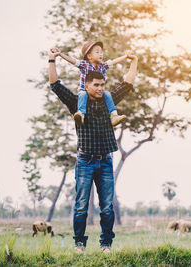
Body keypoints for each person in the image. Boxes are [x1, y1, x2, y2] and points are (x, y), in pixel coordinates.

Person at [47, 48, 138, 253]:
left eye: (102, 84)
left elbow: (128, 84)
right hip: (85, 161)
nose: (99, 88)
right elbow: (55, 85)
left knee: (107, 207)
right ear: (86, 85)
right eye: (95, 85)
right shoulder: (78, 104)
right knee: (81, 206)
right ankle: (79, 244)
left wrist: (134, 62)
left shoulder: (108, 102)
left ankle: (106, 245)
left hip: (105, 161)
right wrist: (53, 59)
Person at [51, 41, 130, 127]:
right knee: (82, 94)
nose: (101, 54)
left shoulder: (102, 66)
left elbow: (114, 61)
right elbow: (72, 61)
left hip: (98, 93)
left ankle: (114, 115)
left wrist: (126, 56)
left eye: (101, 52)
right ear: (89, 56)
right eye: (97, 52)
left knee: (107, 94)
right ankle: (81, 114)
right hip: (85, 90)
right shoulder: (84, 64)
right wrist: (60, 54)